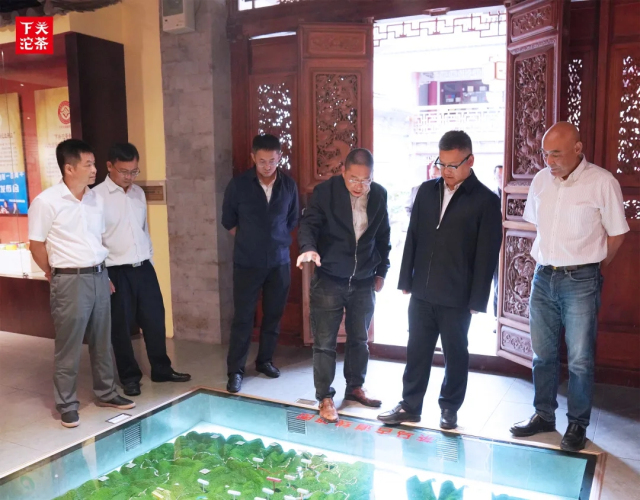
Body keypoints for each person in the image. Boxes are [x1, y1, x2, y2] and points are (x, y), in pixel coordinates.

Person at [509, 122, 629, 452]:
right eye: (545, 153)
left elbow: (617, 233)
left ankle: (577, 424)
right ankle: (543, 415)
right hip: (543, 276)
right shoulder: (540, 180)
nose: (549, 161)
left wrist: (593, 268)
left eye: (556, 154)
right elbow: (537, 226)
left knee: (579, 359)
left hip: (581, 280)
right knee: (542, 355)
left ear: (578, 149)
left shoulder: (602, 182)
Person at [378, 130, 502, 430]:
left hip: (457, 295)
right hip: (422, 290)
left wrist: (477, 299)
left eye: (453, 165)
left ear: (470, 161)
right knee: (416, 351)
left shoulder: (485, 200)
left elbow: (487, 254)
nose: (446, 171)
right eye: (441, 163)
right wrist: (406, 279)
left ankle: (449, 408)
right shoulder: (425, 191)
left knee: (455, 354)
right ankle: (410, 405)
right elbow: (413, 236)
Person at [28, 139, 135, 428]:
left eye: (94, 163)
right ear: (69, 168)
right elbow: (36, 245)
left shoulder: (95, 199)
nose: (94, 169)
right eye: (88, 164)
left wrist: (104, 274)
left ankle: (106, 393)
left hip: (99, 276)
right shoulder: (47, 202)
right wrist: (52, 272)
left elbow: (96, 240)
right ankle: (66, 403)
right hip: (69, 280)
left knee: (102, 340)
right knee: (69, 345)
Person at [297, 148, 391, 423]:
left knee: (359, 339)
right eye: (353, 179)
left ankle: (355, 387)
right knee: (325, 343)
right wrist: (308, 248)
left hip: (363, 280)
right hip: (330, 278)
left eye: (365, 180)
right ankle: (325, 397)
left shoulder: (379, 195)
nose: (359, 186)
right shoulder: (325, 192)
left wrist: (381, 271)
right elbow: (309, 224)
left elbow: (383, 235)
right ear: (343, 172)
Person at [93, 143, 191, 397]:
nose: (130, 177)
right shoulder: (95, 197)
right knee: (121, 327)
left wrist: (151, 260)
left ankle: (161, 369)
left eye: (134, 171)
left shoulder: (138, 193)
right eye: (124, 171)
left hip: (144, 267)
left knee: (155, 320)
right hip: (115, 271)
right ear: (109, 166)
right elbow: (92, 239)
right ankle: (129, 376)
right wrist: (102, 274)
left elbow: (143, 229)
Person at [222, 134, 299, 393]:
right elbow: (228, 220)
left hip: (279, 261)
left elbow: (292, 220)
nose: (267, 166)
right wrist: (251, 240)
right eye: (262, 161)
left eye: (272, 161)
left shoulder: (288, 185)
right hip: (247, 262)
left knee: (273, 315)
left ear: (279, 158)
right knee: (243, 318)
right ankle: (235, 370)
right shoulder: (239, 185)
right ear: (253, 158)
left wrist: (273, 240)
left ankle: (265, 361)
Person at [492, 165, 504, 318]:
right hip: (495, 245)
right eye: (499, 176)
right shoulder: (491, 196)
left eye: (503, 175)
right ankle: (497, 316)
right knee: (497, 283)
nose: (501, 179)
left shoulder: (514, 194)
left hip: (511, 246)